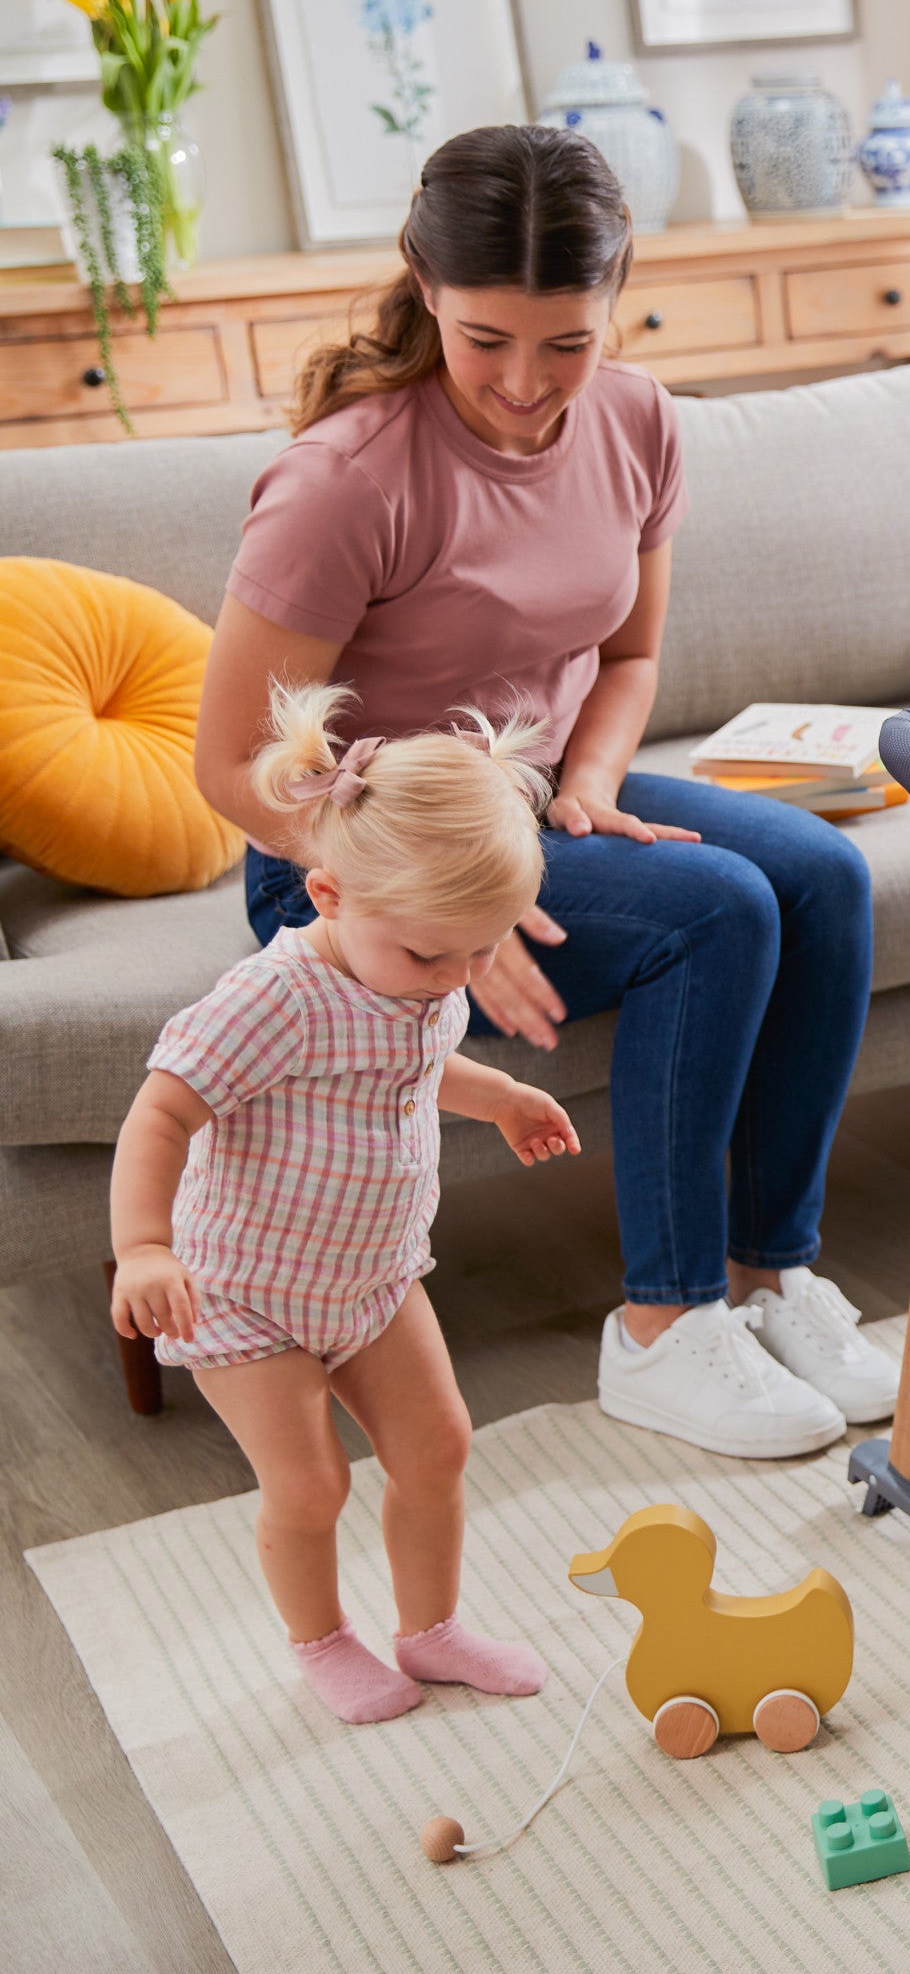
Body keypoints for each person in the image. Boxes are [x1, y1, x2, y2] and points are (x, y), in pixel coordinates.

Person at [191, 124, 896, 1459]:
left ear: (617, 303)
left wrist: (586, 783)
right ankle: (658, 1325)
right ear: (423, 288)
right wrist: (449, 905)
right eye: (486, 341)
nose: (527, 385)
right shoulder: (346, 481)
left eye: (566, 343)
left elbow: (626, 654)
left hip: (532, 804)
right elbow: (231, 763)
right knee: (717, 908)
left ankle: (765, 1279)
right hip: (350, 858)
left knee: (824, 874)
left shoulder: (636, 420)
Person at [111, 688, 577, 1724]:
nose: (454, 977)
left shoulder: (423, 968)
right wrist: (143, 1245)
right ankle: (321, 1638)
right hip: (247, 1295)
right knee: (311, 1483)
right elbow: (160, 1113)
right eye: (431, 956)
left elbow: (409, 1059)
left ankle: (432, 1627)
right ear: (326, 894)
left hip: (371, 1278)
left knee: (439, 1447)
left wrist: (492, 1092)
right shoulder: (269, 999)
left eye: (481, 949)